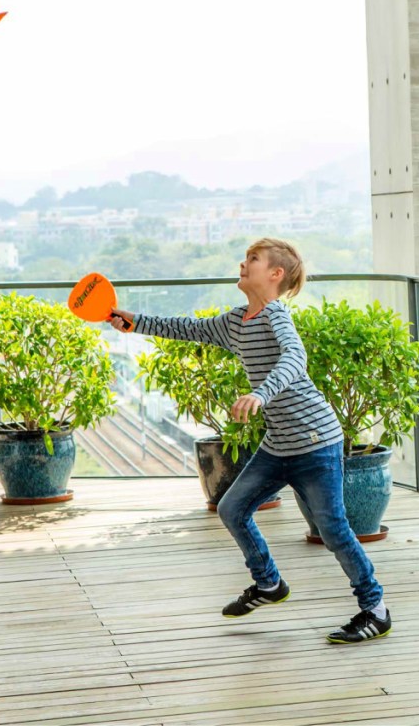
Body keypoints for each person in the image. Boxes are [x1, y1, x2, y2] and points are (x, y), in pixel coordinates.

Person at [110, 237, 391, 644]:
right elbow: (185, 328)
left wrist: (262, 392)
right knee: (231, 508)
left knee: (332, 529)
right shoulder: (236, 321)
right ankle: (269, 584)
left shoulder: (276, 315)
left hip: (315, 441)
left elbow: (295, 358)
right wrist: (133, 321)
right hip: (279, 444)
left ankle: (375, 609)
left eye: (253, 259)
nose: (243, 264)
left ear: (275, 274)